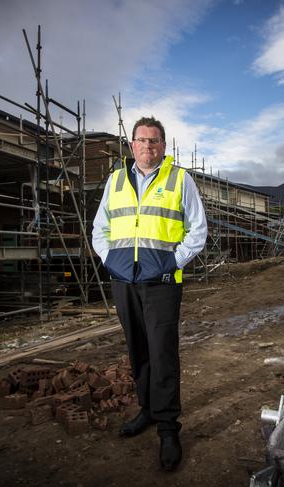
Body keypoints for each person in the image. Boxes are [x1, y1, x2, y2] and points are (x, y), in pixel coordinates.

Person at [92, 116, 207, 471]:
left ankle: (169, 428)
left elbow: (198, 230)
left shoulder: (180, 179)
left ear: (163, 146)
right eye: (141, 141)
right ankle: (148, 410)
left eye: (154, 141)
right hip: (124, 281)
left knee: (162, 353)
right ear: (131, 145)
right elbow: (100, 227)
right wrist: (111, 260)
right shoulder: (115, 180)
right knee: (138, 349)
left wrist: (171, 262)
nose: (147, 147)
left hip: (162, 283)